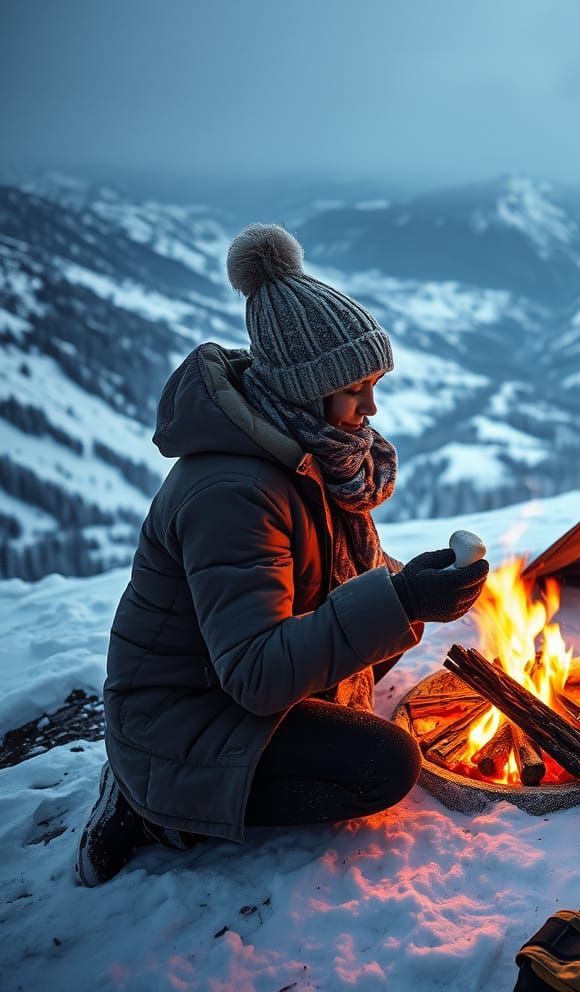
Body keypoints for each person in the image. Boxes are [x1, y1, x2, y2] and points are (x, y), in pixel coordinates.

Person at [75, 224, 489, 886]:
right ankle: (149, 803)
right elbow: (256, 675)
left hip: (229, 679)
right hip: (183, 713)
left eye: (374, 383)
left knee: (387, 631)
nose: (371, 406)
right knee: (384, 765)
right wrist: (404, 598)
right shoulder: (233, 492)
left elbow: (333, 576)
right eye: (356, 388)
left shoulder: (304, 448)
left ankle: (187, 780)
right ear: (306, 390)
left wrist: (415, 585)